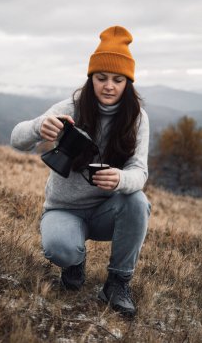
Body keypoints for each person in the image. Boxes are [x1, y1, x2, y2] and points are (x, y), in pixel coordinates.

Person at [11, 25, 152, 318]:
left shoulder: (137, 119)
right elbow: (17, 139)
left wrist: (121, 179)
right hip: (64, 209)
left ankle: (117, 283)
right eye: (101, 78)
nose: (109, 86)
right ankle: (74, 259)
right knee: (61, 249)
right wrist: (40, 126)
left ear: (128, 82)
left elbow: (139, 171)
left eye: (118, 79)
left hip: (106, 212)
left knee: (137, 200)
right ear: (91, 79)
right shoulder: (70, 108)